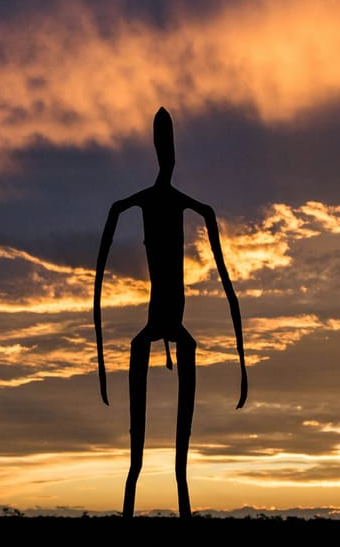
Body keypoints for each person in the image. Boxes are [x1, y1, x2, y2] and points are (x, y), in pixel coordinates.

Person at [94, 107, 247, 517]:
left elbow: (228, 287)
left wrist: (243, 364)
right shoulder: (146, 204)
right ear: (161, 150)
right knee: (136, 457)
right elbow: (102, 262)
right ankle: (133, 494)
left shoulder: (193, 208)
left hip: (177, 327)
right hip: (155, 324)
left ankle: (180, 497)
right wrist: (102, 362)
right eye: (165, 146)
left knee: (180, 460)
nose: (169, 155)